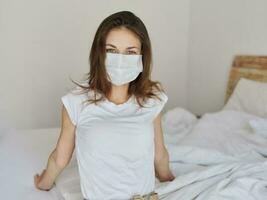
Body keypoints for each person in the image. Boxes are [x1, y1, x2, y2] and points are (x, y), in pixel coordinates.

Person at [34, 10, 175, 200]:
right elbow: (60, 158)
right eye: (111, 50)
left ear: (142, 56)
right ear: (99, 53)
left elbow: (159, 155)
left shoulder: (151, 100)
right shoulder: (76, 101)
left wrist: (169, 179)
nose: (120, 60)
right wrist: (43, 183)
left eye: (130, 52)